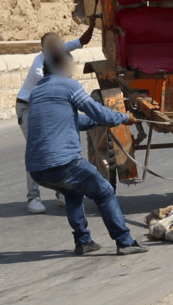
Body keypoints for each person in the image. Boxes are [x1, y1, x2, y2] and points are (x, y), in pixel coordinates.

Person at [25, 46, 148, 255]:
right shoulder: (68, 86)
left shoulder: (36, 92)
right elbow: (101, 113)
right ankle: (125, 241)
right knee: (105, 192)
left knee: (73, 193)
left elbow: (69, 120)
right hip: (64, 163)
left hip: (37, 170)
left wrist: (96, 122)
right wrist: (124, 118)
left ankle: (83, 242)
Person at [16, 23, 95, 214]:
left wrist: (93, 23)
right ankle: (33, 198)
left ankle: (61, 193)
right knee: (36, 150)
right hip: (28, 108)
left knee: (58, 147)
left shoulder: (56, 52)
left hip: (44, 106)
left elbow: (82, 41)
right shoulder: (39, 67)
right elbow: (52, 84)